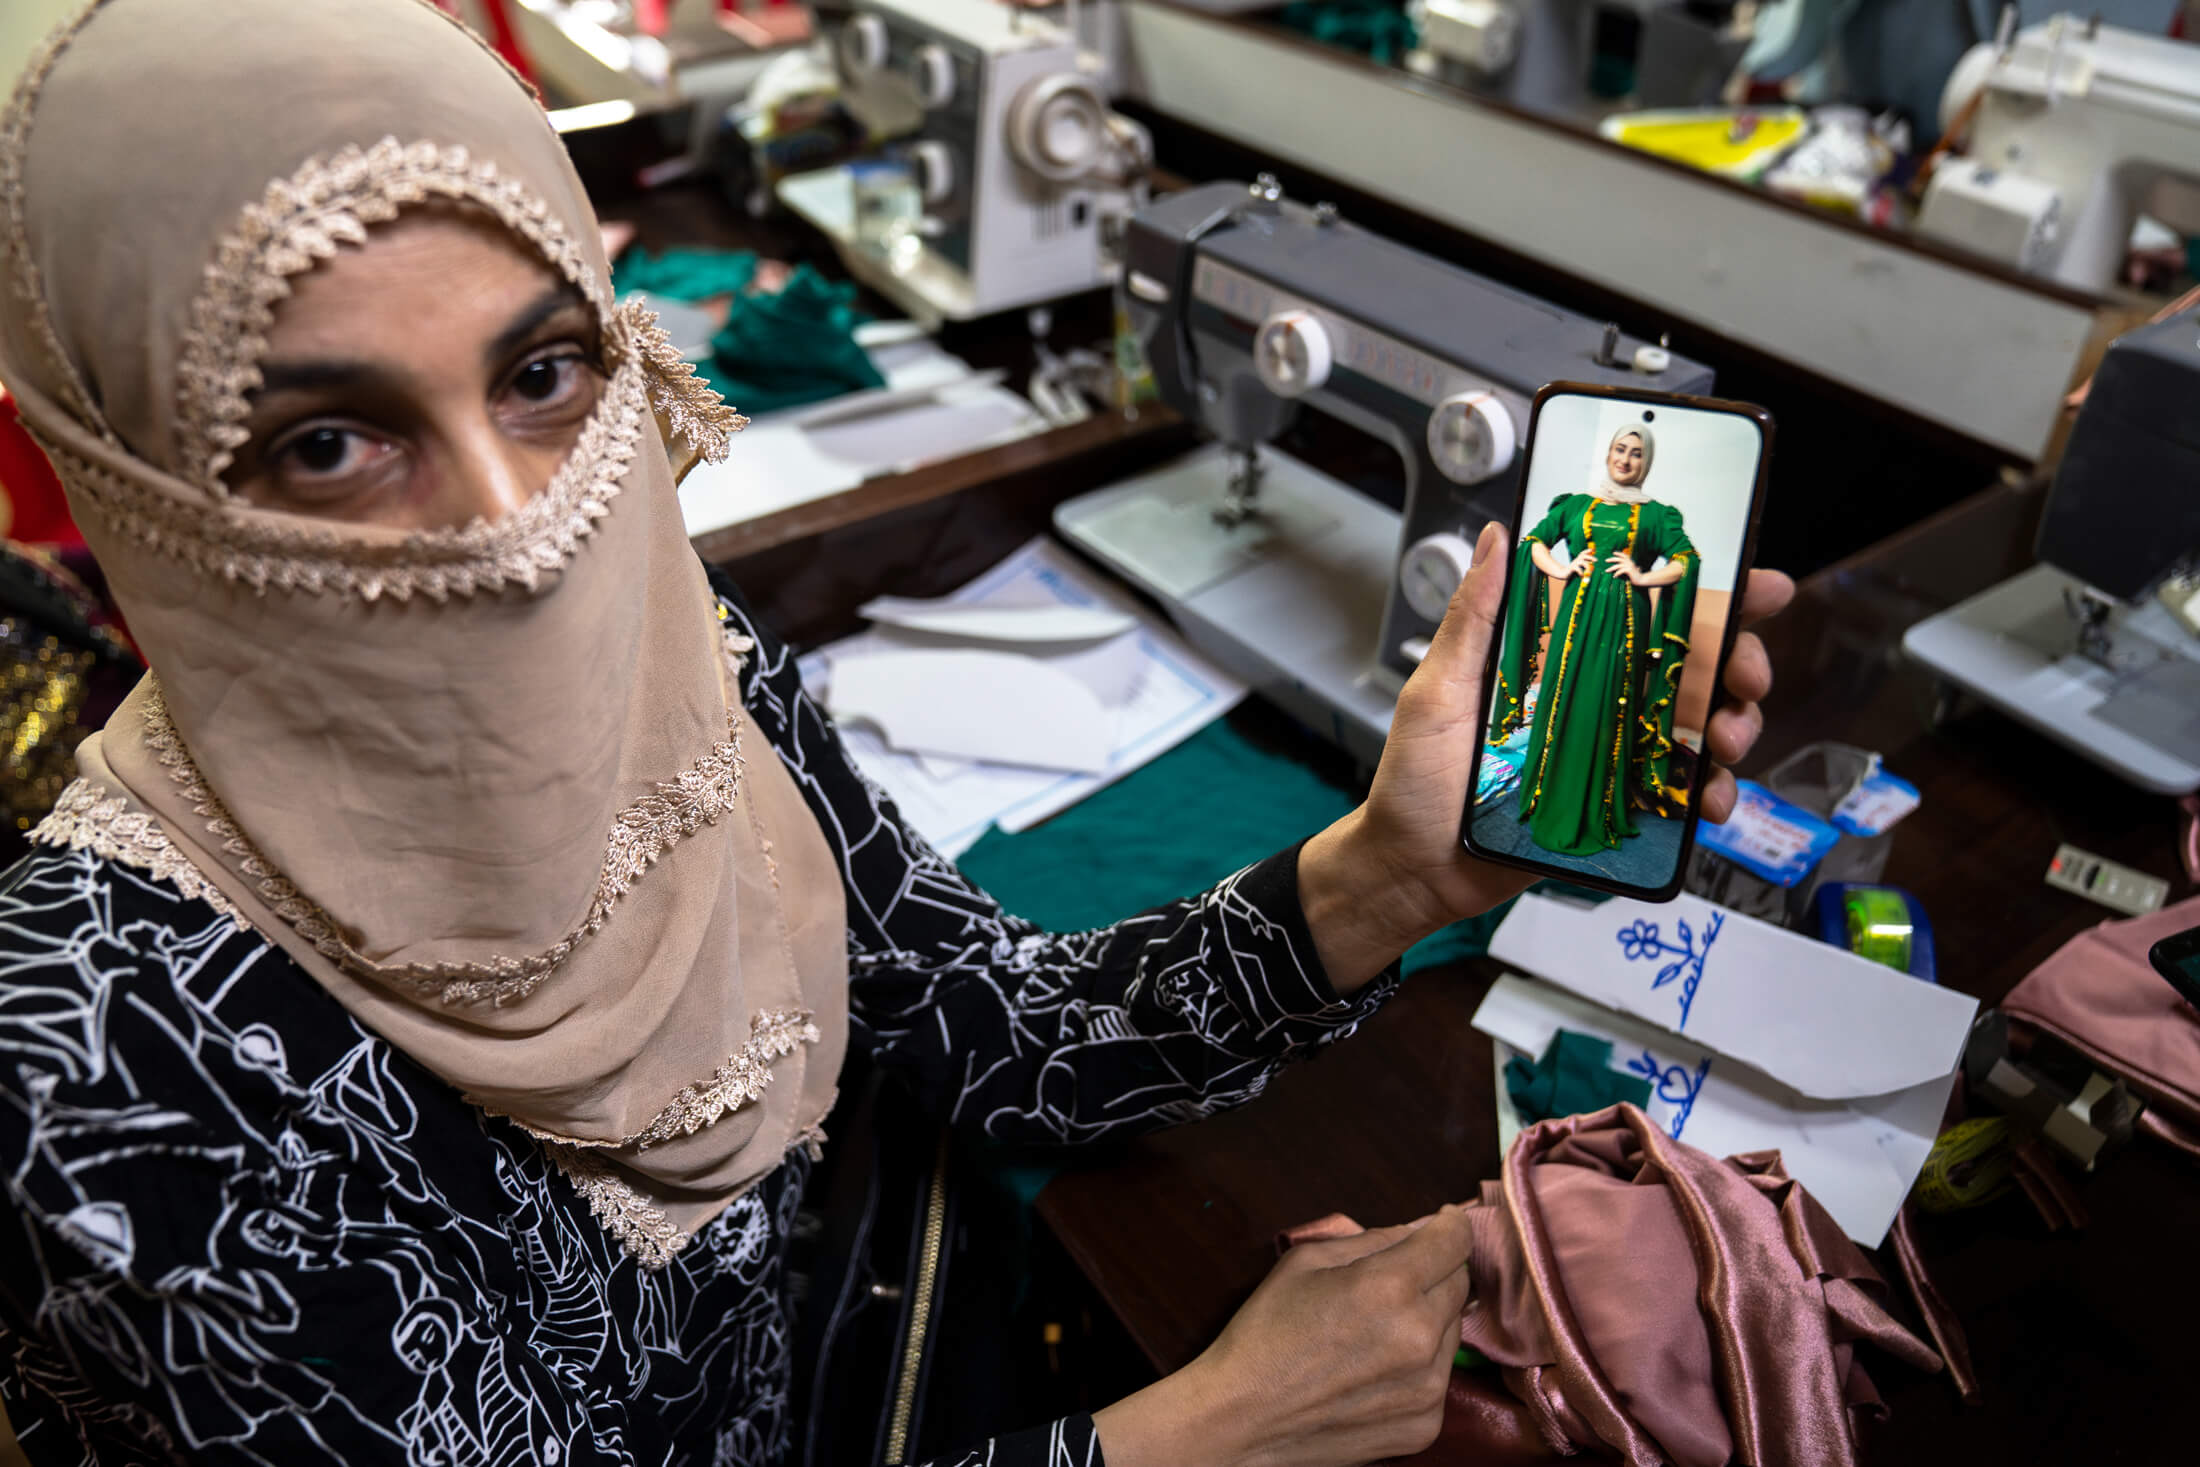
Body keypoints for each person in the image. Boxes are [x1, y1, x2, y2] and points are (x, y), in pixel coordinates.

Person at [0, 2, 1790, 1463]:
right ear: (137, 498)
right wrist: (1197, 1439)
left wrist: (1392, 871)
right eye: (331, 442)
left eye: (545, 376)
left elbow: (1000, 1031)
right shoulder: (104, 1057)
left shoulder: (689, 663)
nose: (512, 531)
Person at [1489, 423, 1701, 858]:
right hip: (1577, 616)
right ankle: (1549, 794)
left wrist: (1644, 576)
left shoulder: (1659, 516)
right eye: (1619, 449)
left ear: (1647, 462)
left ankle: (1594, 805)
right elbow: (1534, 542)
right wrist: (1561, 570)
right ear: (1608, 453)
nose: (1625, 459)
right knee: (1561, 693)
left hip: (1626, 619)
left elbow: (1686, 559)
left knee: (1608, 704)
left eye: (1636, 453)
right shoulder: (1575, 506)